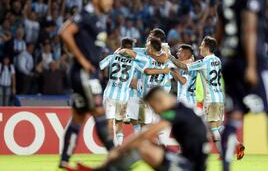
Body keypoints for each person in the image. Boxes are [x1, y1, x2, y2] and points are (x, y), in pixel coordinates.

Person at [216, 0, 268, 171]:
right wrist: (252, 66)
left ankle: (225, 166)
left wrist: (222, 58)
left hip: (229, 62)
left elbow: (219, 32)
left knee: (234, 116)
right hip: (252, 60)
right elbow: (249, 28)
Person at [69, 86, 209, 171]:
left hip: (189, 168)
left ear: (159, 101)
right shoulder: (185, 108)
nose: (156, 113)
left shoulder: (176, 112)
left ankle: (106, 169)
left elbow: (147, 133)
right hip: (188, 161)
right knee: (146, 144)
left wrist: (118, 151)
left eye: (154, 108)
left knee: (142, 145)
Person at [58, 0, 114, 168]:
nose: (110, 1)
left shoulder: (98, 17)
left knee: (78, 117)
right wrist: (82, 60)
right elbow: (65, 32)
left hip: (86, 73)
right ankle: (116, 154)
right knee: (99, 112)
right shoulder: (86, 15)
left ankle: (65, 159)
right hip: (84, 73)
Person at [168, 36, 224, 152]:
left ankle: (220, 153)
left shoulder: (204, 62)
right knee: (217, 127)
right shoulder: (218, 60)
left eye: (202, 45)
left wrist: (169, 57)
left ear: (207, 47)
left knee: (211, 128)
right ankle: (236, 145)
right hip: (219, 97)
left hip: (210, 99)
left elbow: (183, 66)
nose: (200, 47)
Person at [99, 37, 148, 146]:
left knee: (109, 122)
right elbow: (146, 63)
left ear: (121, 46)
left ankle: (111, 147)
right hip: (123, 97)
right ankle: (119, 146)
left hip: (109, 94)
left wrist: (116, 52)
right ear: (132, 49)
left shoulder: (112, 57)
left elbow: (100, 65)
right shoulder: (134, 63)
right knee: (119, 123)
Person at [170, 44, 197, 108]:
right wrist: (172, 71)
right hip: (187, 100)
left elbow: (183, 81)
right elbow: (179, 81)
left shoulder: (190, 66)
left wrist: (172, 69)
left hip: (187, 102)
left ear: (185, 54)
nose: (177, 53)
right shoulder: (184, 66)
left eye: (179, 51)